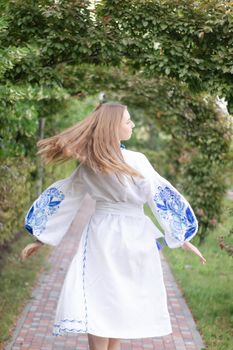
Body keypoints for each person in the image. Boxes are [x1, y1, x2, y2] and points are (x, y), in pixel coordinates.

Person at [21, 102, 206, 350]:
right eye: (127, 121)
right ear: (113, 127)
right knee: (120, 298)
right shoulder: (135, 161)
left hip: (102, 233)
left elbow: (66, 196)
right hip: (134, 235)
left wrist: (41, 237)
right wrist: (182, 235)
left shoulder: (90, 163)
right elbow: (159, 195)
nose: (132, 124)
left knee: (100, 295)